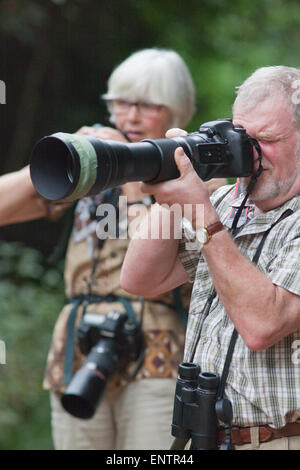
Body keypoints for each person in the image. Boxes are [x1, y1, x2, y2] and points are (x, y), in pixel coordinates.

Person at [41, 48, 227, 450]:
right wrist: (62, 155)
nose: (131, 116)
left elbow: (158, 249)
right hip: (77, 346)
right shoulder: (90, 164)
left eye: (147, 104)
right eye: (121, 102)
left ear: (176, 112)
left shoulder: (199, 179)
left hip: (157, 345)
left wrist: (130, 171)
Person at [121, 65, 300, 450]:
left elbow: (262, 325)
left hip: (278, 440)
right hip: (205, 437)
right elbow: (140, 279)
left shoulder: (215, 214)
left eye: (266, 139)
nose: (248, 154)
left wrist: (203, 217)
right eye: (240, 136)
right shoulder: (223, 204)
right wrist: (173, 176)